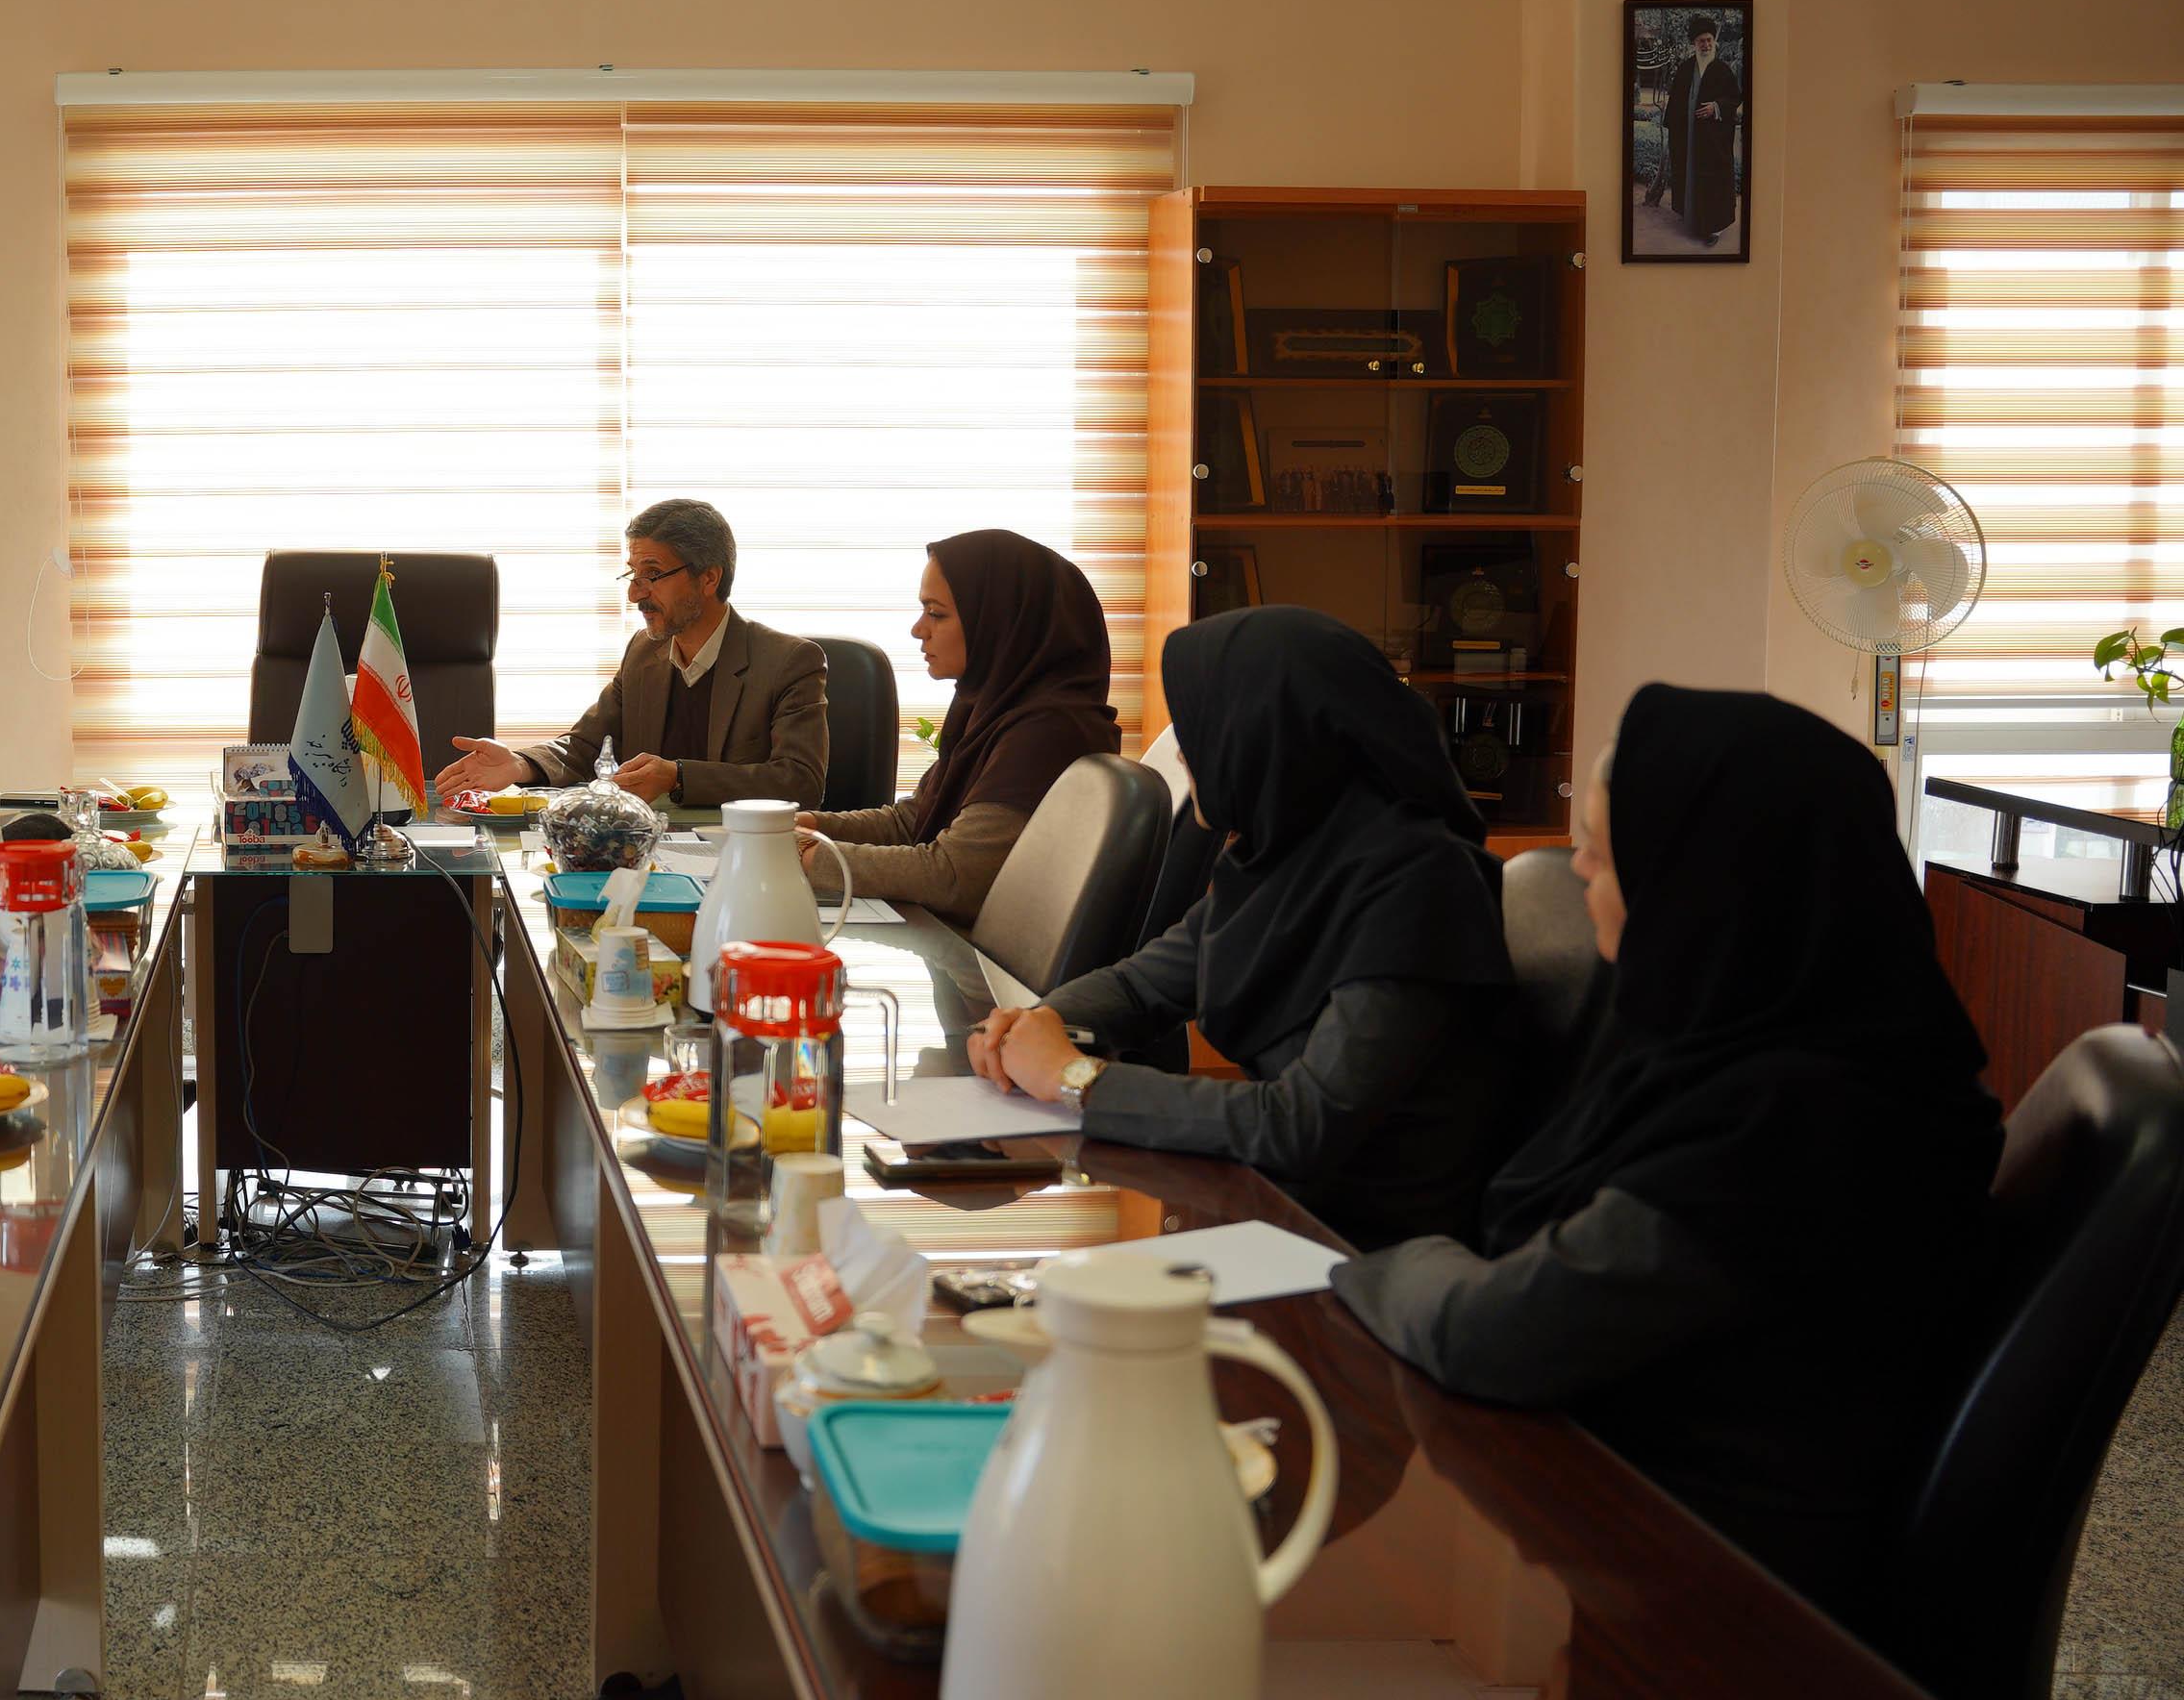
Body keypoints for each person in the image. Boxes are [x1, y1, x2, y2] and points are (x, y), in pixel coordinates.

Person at [1334, 686, 2000, 1625]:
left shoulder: (1800, 1125)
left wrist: (1367, 1260)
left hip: (1718, 1595)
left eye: (1605, 855)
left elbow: (1495, 1333)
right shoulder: (1771, 1034)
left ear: (1705, 884)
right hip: (1630, 1488)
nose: (1577, 872)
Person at [965, 605, 1521, 1249]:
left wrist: (1076, 1080)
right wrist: (1036, 1026)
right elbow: (1141, 988)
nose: (1185, 750)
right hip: (1276, 1206)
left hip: (1374, 1251)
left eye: (1202, 722)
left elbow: (1301, 1125)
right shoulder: (1283, 859)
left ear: (1268, 736)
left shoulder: (1422, 888)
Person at [794, 530, 1117, 924]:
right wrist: (810, 826)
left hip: (976, 956)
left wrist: (805, 855)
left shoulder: (1048, 732)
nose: (918, 629)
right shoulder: (990, 707)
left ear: (998, 621)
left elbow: (954, 877)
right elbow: (912, 821)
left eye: (936, 613)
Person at [434, 498, 827, 810]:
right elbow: (585, 745)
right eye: (632, 574)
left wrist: (677, 776)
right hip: (645, 853)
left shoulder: (789, 661)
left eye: (652, 574)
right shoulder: (644, 652)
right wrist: (521, 764)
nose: (635, 593)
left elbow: (801, 781)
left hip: (741, 857)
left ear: (709, 578)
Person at [1664, 12, 1742, 248]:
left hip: (1712, 140)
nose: (1706, 45)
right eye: (1701, 41)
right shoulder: (1685, 69)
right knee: (1689, 175)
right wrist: (1675, 131)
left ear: (1714, 41)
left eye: (1709, 40)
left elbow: (1734, 98)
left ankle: (1713, 228)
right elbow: (1675, 101)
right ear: (1694, 44)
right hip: (1688, 138)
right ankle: (1692, 219)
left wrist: (1716, 107)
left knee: (1713, 180)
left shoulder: (1723, 70)